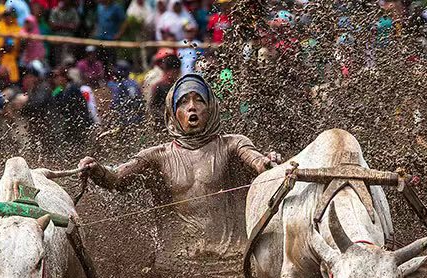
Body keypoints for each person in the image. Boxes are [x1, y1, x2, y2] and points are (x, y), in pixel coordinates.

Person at [79, 73, 281, 259]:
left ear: (210, 108)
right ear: (173, 112)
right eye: (183, 102)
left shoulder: (233, 144)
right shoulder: (157, 156)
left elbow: (257, 162)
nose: (192, 107)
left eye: (199, 100)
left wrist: (268, 162)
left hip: (231, 258)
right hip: (178, 262)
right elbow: (116, 179)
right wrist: (96, 169)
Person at [107, 59, 143, 125]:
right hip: (136, 120)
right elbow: (141, 101)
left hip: (122, 120)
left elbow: (114, 102)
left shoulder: (115, 84)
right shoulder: (134, 83)